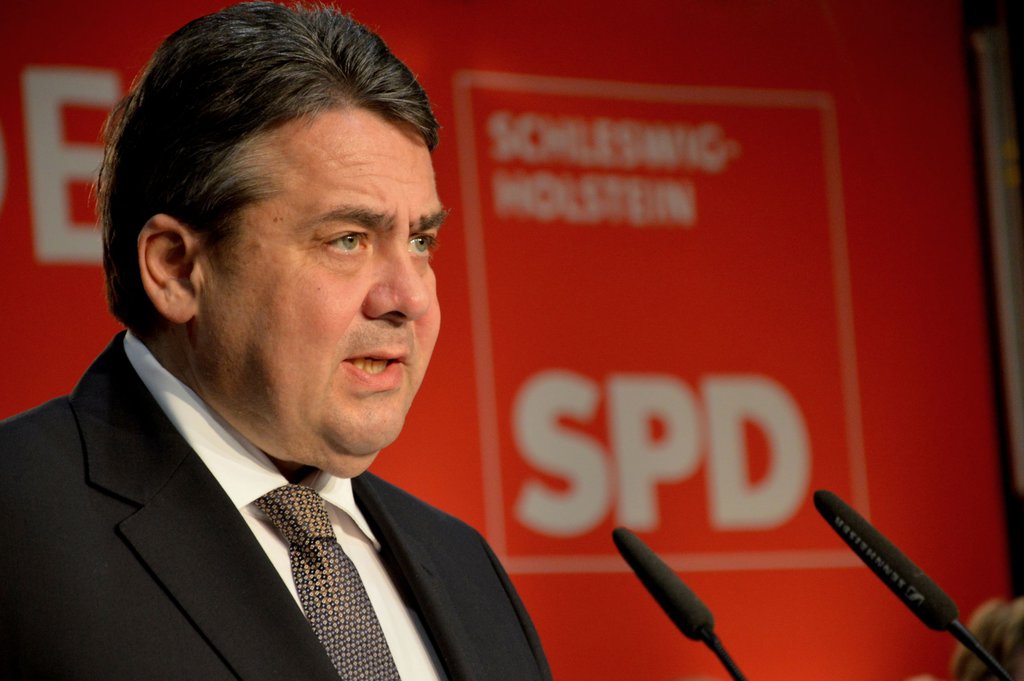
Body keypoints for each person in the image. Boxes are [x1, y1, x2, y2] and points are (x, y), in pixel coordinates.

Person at [0, 3, 551, 680]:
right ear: (176, 268)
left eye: (420, 241)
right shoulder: (17, 528)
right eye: (347, 239)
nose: (409, 298)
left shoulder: (468, 569)